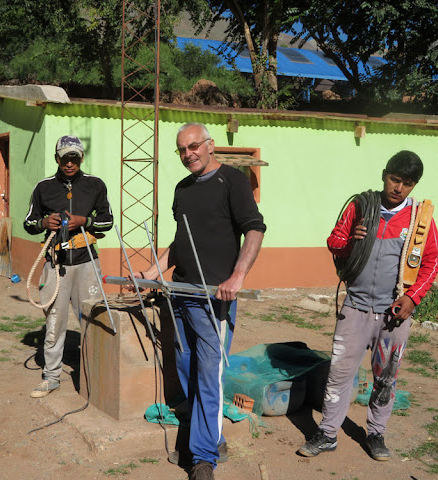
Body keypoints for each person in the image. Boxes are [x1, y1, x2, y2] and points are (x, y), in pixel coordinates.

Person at [133, 123, 266, 480]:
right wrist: (152, 271)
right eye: (182, 149)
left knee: (209, 373)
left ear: (210, 146)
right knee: (186, 366)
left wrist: (237, 277)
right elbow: (180, 244)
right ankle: (206, 435)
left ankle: (204, 457)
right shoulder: (183, 189)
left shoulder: (233, 181)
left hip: (213, 299)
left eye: (194, 146)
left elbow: (254, 228)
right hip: (180, 293)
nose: (188, 153)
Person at [297, 151, 438, 461]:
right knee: (339, 373)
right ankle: (328, 433)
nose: (398, 188)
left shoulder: (420, 220)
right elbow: (333, 241)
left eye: (407, 183)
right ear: (384, 175)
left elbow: (432, 261)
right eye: (394, 179)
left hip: (393, 315)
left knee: (386, 376)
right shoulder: (360, 206)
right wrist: (351, 241)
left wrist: (412, 298)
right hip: (356, 307)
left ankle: (376, 433)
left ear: (414, 185)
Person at [24, 135, 113, 398]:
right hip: (56, 264)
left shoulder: (95, 185)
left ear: (81, 158)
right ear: (57, 159)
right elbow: (28, 222)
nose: (70, 163)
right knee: (54, 320)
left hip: (87, 262)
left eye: (74, 157)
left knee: (93, 317)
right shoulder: (44, 188)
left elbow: (107, 221)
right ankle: (51, 377)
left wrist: (83, 220)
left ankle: (94, 375)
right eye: (65, 158)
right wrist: (44, 223)